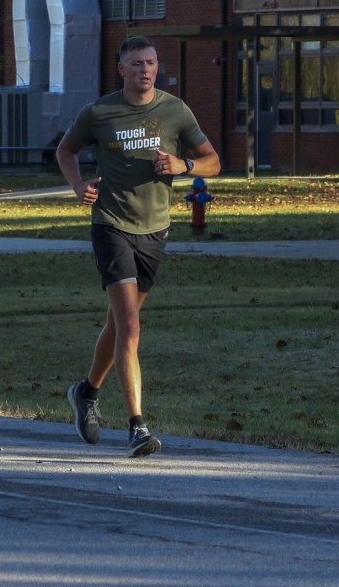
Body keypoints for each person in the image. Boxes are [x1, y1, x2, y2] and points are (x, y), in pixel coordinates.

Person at [56, 35, 220, 457]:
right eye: (137, 63)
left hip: (155, 228)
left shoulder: (175, 110)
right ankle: (137, 426)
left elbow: (213, 161)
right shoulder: (100, 111)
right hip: (110, 223)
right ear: (122, 69)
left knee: (118, 324)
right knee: (130, 326)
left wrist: (183, 165)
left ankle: (87, 392)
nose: (146, 69)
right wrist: (78, 186)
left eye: (151, 62)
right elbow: (66, 149)